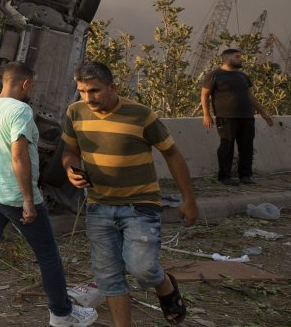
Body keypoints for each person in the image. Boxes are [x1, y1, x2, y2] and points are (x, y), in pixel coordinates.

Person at [62, 61, 198, 326]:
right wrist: (70, 168)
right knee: (109, 277)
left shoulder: (141, 115)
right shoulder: (75, 112)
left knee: (143, 269)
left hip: (140, 205)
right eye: (82, 91)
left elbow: (171, 153)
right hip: (98, 207)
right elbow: (69, 151)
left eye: (94, 91)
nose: (87, 98)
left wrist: (188, 199)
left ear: (112, 87)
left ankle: (165, 284)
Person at [0, 62, 98, 327]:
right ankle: (61, 314)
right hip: (15, 195)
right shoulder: (21, 110)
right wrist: (27, 199)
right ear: (25, 84)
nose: (31, 89)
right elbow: (19, 156)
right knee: (47, 254)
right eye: (31, 85)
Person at [199, 48, 275, 186]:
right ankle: (224, 177)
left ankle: (245, 175)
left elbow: (250, 96)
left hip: (246, 116)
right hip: (226, 117)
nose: (240, 59)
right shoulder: (214, 75)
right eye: (237, 57)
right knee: (226, 146)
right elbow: (204, 95)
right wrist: (206, 115)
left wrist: (263, 113)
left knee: (247, 146)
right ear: (227, 59)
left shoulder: (242, 76)